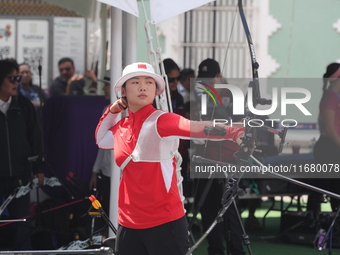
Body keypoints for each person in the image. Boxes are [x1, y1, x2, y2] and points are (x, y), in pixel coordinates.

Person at [95, 62, 245, 255]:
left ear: (156, 90)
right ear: (123, 90)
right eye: (135, 82)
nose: (143, 87)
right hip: (128, 223)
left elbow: (196, 127)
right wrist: (113, 110)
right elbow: (101, 139)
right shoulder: (122, 126)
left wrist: (235, 132)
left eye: (149, 82)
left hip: (164, 222)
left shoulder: (162, 120)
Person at [193, 58, 246, 255]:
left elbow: (241, 127)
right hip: (206, 158)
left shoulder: (232, 96)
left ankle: (236, 251)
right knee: (207, 208)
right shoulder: (200, 97)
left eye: (210, 79)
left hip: (228, 159)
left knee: (229, 209)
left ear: (219, 76)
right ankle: (215, 250)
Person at [0, 59, 44, 250]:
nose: (17, 82)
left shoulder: (24, 106)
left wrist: (39, 168)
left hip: (21, 173)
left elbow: (36, 138)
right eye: (12, 78)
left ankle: (22, 253)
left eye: (18, 77)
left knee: (22, 221)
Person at [307, 62, 340, 216]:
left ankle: (336, 223)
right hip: (328, 147)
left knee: (336, 187)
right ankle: (311, 221)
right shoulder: (330, 96)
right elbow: (329, 128)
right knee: (321, 186)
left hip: (334, 146)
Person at [89, 70, 112, 235]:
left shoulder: (130, 111)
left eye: (107, 85)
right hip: (107, 174)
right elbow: (102, 144)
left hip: (121, 175)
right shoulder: (107, 108)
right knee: (105, 214)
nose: (104, 89)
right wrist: (95, 171)